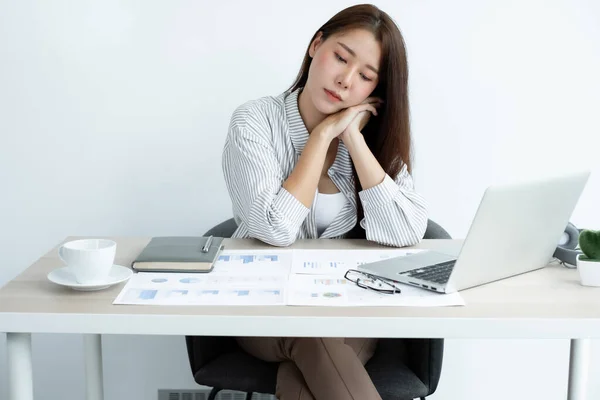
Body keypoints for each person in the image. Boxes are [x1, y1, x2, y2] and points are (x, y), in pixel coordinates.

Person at [221, 4, 428, 400]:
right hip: (262, 306)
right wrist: (319, 138)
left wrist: (352, 138)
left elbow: (406, 233)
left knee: (308, 370)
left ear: (376, 91)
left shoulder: (378, 141)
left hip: (348, 307)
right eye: (340, 57)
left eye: (366, 76)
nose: (345, 80)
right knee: (313, 333)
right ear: (317, 45)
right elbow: (274, 229)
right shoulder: (254, 122)